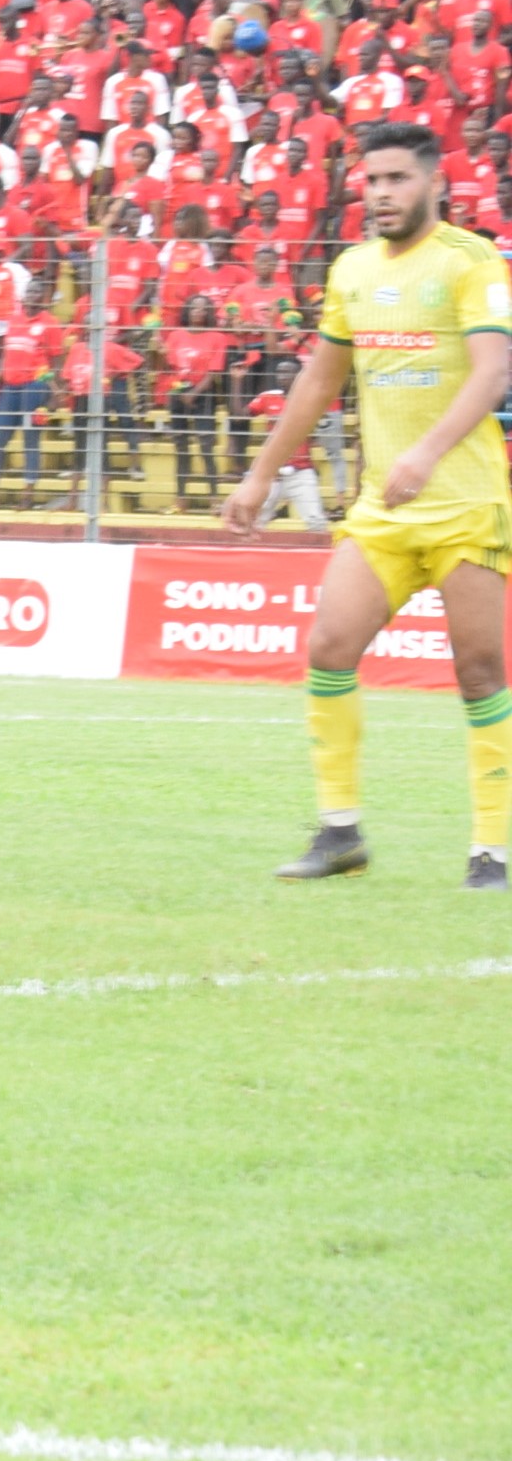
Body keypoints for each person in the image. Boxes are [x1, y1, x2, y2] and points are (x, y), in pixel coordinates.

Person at [225, 117, 512, 888]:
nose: (381, 193)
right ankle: (340, 834)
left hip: (466, 504)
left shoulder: (470, 261)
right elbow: (320, 381)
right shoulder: (351, 269)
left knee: (480, 671)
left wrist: (427, 451)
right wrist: (260, 476)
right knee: (328, 647)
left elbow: (492, 371)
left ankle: (492, 851)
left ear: (434, 182)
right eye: (372, 180)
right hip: (385, 510)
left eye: (397, 179)